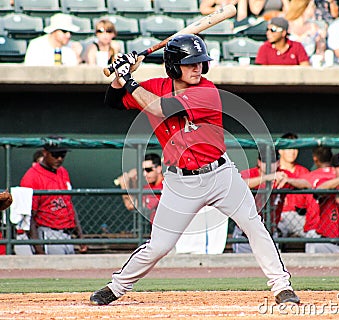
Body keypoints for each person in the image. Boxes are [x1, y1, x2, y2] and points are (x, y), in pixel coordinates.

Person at [90, 34, 300, 305]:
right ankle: (116, 287)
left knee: (254, 226)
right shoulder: (156, 86)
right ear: (174, 66)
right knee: (159, 245)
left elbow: (160, 108)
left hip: (220, 175)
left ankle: (282, 287)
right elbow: (114, 100)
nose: (197, 68)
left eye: (201, 62)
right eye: (190, 63)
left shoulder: (207, 91)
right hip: (180, 182)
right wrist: (121, 74)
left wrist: (129, 80)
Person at [19, 137, 87, 255]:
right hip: (48, 233)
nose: (59, 159)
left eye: (62, 155)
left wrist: (80, 236)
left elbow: (69, 205)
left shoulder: (63, 171)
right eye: (55, 155)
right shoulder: (31, 177)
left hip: (67, 234)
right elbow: (29, 218)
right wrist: (38, 249)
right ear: (45, 153)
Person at [277, 133, 312, 238]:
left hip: (299, 217)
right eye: (289, 148)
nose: (293, 152)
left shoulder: (303, 171)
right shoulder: (273, 170)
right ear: (280, 150)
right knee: (273, 235)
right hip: (279, 217)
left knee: (312, 235)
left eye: (295, 148)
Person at [116, 153, 164, 224]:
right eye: (143, 170)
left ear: (159, 169)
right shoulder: (148, 187)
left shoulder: (165, 186)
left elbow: (132, 206)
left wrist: (124, 186)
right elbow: (137, 200)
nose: (145, 174)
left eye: (148, 170)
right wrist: (133, 181)